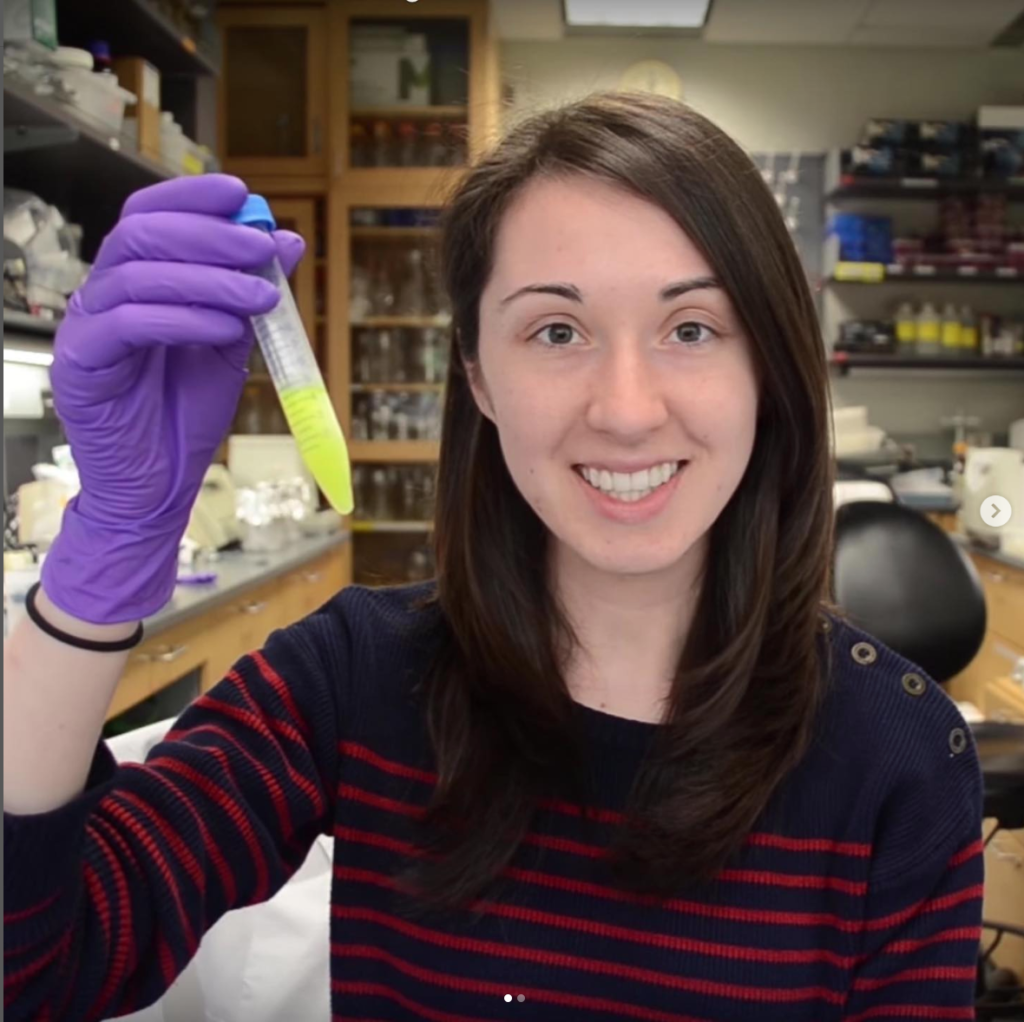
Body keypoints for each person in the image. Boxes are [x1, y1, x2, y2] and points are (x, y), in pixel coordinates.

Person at [4, 92, 983, 1021]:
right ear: (476, 372)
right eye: (556, 329)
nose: (628, 408)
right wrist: (107, 550)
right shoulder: (355, 678)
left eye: (691, 327)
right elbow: (39, 970)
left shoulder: (897, 752)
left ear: (764, 364)